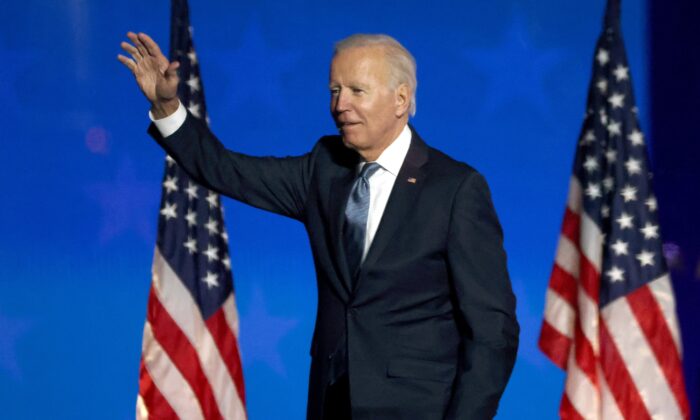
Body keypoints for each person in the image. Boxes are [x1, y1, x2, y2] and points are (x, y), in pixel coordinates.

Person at [118, 31, 519, 420]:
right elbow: (226, 171)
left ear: (401, 98)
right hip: (331, 403)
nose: (340, 105)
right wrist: (168, 108)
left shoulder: (455, 189)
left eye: (356, 91)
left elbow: (493, 332)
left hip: (418, 406)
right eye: (334, 91)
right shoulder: (324, 168)